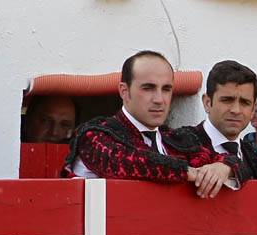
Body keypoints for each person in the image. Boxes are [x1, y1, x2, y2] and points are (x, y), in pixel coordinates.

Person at [62, 50, 244, 198]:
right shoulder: (95, 136)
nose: (159, 99)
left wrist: (224, 167)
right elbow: (128, 163)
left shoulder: (173, 140)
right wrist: (190, 172)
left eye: (166, 89)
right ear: (124, 91)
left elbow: (238, 164)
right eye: (148, 88)